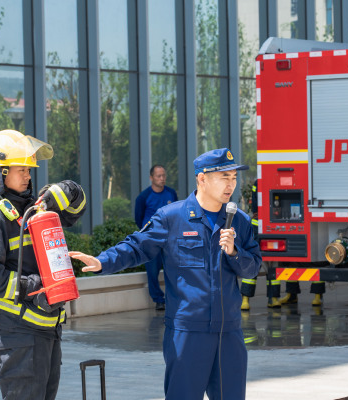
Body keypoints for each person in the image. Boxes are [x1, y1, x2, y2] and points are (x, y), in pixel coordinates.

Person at [70, 148, 261, 400]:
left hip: (229, 333)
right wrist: (102, 262)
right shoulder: (172, 217)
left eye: (234, 178)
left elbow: (252, 267)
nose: (231, 184)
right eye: (224, 177)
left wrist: (235, 252)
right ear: (202, 179)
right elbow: (136, 247)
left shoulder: (239, 221)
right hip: (188, 334)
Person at [0, 129, 86, 400]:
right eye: (22, 170)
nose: (28, 176)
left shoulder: (34, 210)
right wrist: (33, 288)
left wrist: (70, 191)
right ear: (2, 173)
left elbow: (74, 212)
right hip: (18, 333)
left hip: (47, 328)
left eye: (29, 170)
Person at [134, 165, 178, 310]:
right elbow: (138, 218)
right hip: (150, 240)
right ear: (151, 178)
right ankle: (158, 300)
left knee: (172, 269)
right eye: (159, 176)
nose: (162, 178)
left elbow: (176, 213)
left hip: (169, 239)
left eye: (164, 175)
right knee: (152, 271)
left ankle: (174, 299)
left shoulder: (171, 193)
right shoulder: (144, 196)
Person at [240, 179, 281, 310]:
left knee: (256, 262)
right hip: (269, 225)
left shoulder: (259, 182)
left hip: (261, 225)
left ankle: (247, 299)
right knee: (269, 263)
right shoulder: (269, 181)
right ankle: (272, 299)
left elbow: (255, 203)